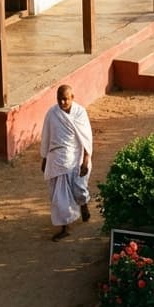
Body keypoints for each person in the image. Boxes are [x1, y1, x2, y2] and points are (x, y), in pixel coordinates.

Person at [40, 84, 93, 240]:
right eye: (59, 99)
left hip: (75, 159)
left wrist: (85, 160)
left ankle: (83, 205)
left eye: (65, 99)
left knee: (79, 190)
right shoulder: (52, 114)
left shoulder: (80, 113)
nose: (62, 102)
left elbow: (86, 139)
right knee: (60, 197)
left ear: (72, 98)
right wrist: (44, 158)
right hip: (56, 160)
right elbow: (46, 137)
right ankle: (65, 227)